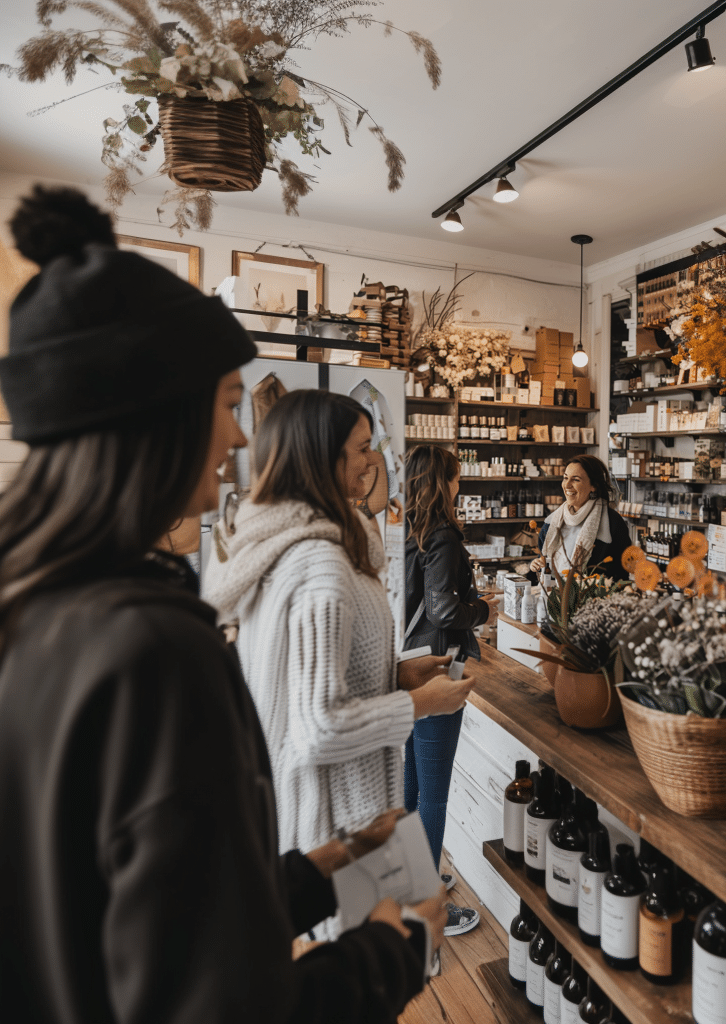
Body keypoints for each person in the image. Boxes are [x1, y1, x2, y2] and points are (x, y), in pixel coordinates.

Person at [0, 185, 444, 1024]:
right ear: (158, 418)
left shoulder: (35, 609)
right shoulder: (154, 653)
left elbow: (123, 913)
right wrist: (395, 950)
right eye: (229, 406)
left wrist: (310, 879)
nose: (241, 441)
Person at [203, 391, 475, 940]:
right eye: (361, 448)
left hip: (325, 815)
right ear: (321, 458)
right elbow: (319, 724)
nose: (374, 461)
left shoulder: (297, 544)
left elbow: (307, 680)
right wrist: (423, 702)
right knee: (361, 974)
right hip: (334, 821)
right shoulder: (320, 563)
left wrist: (393, 677)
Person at [403, 445, 499, 936]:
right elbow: (444, 612)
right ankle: (426, 903)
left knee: (410, 782)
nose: (460, 485)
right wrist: (481, 610)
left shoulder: (404, 530)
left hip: (404, 665)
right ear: (443, 482)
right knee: (434, 789)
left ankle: (409, 882)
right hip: (440, 665)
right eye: (456, 478)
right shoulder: (440, 536)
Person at [529, 454, 631, 582]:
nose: (567, 485)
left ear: (593, 486)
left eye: (576, 480)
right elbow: (544, 560)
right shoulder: (553, 521)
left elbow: (622, 574)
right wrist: (537, 565)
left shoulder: (612, 523)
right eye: (565, 478)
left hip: (591, 599)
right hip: (552, 596)